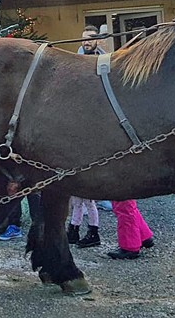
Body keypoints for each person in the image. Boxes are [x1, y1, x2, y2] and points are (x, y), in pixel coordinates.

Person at [67, 26, 103, 248]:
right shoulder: (76, 60)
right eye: (83, 40)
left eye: (89, 40)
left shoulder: (103, 60)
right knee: (76, 198)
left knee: (87, 199)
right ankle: (73, 230)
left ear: (98, 40)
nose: (86, 43)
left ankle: (93, 232)